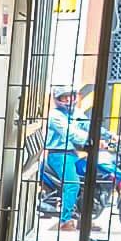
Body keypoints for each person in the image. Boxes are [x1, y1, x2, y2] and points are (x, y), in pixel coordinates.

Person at [45, 86, 89, 231]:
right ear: (58, 99)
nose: (69, 99)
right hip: (59, 154)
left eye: (71, 96)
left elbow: (88, 125)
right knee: (73, 184)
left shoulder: (76, 113)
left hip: (73, 154)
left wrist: (110, 136)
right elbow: (71, 133)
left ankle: (86, 219)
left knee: (91, 179)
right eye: (64, 97)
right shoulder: (55, 116)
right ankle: (65, 221)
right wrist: (92, 140)